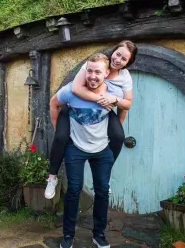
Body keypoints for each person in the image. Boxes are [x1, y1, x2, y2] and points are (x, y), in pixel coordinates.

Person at [45, 40, 138, 199]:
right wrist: (99, 99)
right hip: (76, 106)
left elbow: (126, 104)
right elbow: (76, 88)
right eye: (117, 54)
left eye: (124, 59)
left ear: (128, 63)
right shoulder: (97, 64)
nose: (118, 60)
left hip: (104, 110)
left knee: (118, 136)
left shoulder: (125, 77)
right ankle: (52, 177)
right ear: (113, 51)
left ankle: (105, 176)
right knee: (61, 137)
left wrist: (113, 104)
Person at [50, 53, 113, 248]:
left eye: (98, 72)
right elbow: (54, 103)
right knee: (74, 191)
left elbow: (124, 108)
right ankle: (68, 235)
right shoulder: (71, 91)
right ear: (85, 71)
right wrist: (58, 131)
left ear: (107, 73)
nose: (93, 76)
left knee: (102, 191)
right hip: (76, 148)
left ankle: (99, 234)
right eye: (90, 71)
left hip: (102, 149)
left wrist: (115, 133)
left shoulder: (112, 92)